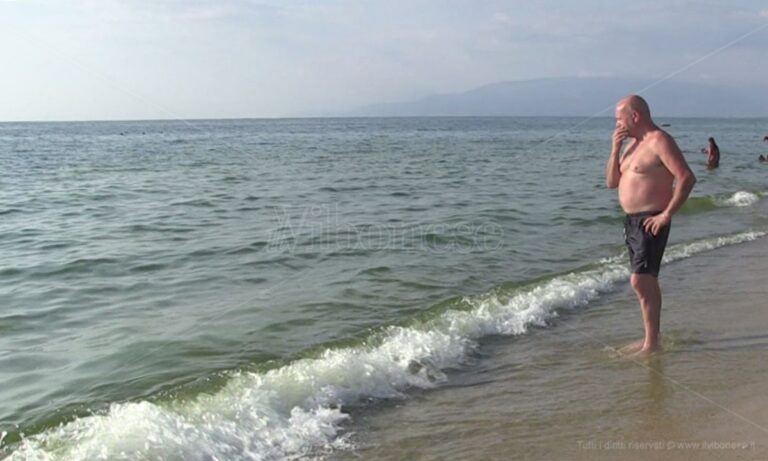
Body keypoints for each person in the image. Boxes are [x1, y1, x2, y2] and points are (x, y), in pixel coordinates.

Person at [605, 95, 697, 354]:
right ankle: (651, 338)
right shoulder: (630, 145)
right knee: (644, 281)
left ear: (635, 116)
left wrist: (666, 215)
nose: (616, 125)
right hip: (631, 222)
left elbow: (687, 178)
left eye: (619, 119)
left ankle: (651, 344)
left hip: (651, 220)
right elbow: (612, 182)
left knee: (640, 280)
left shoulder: (659, 141)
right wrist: (614, 149)